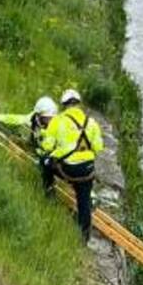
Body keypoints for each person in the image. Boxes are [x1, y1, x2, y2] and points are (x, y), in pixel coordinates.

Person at [40, 89, 104, 243]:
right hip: (87, 171)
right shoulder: (92, 122)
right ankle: (84, 238)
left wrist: (45, 138)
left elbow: (47, 146)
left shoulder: (58, 121)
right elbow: (98, 147)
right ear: (79, 104)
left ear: (64, 105)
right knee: (84, 202)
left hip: (68, 170)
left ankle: (49, 192)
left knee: (44, 161)